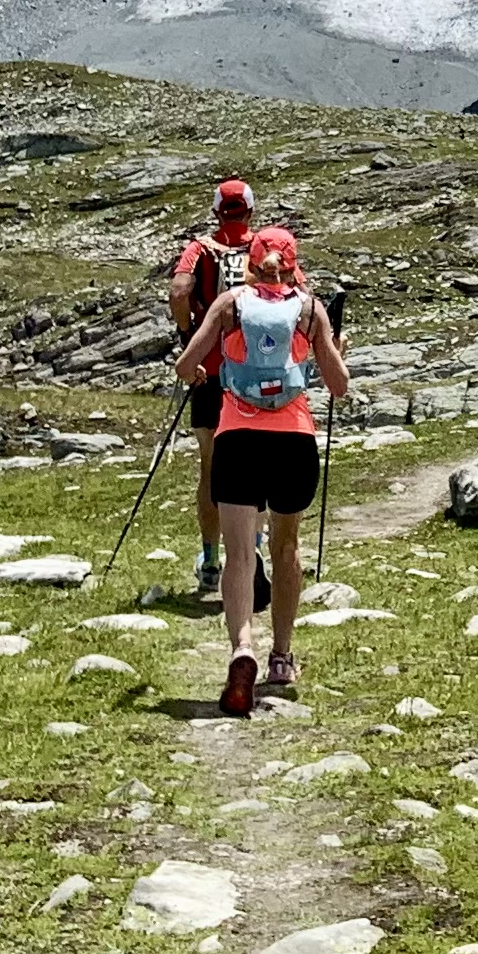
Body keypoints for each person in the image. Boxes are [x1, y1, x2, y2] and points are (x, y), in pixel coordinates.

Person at [170, 225, 349, 711]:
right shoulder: (310, 310)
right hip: (292, 438)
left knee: (240, 552)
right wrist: (332, 347)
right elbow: (338, 385)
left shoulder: (229, 304)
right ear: (293, 263)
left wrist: (204, 372)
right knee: (287, 546)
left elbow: (187, 365)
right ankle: (282, 657)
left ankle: (241, 647)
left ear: (251, 261)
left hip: (237, 436)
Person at [170, 179, 259, 597]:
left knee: (210, 466)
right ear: (250, 212)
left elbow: (179, 289)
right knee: (257, 467)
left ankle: (210, 561)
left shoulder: (200, 248)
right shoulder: (264, 246)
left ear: (216, 211)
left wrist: (188, 331)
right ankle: (254, 554)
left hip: (210, 371)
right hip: (256, 373)